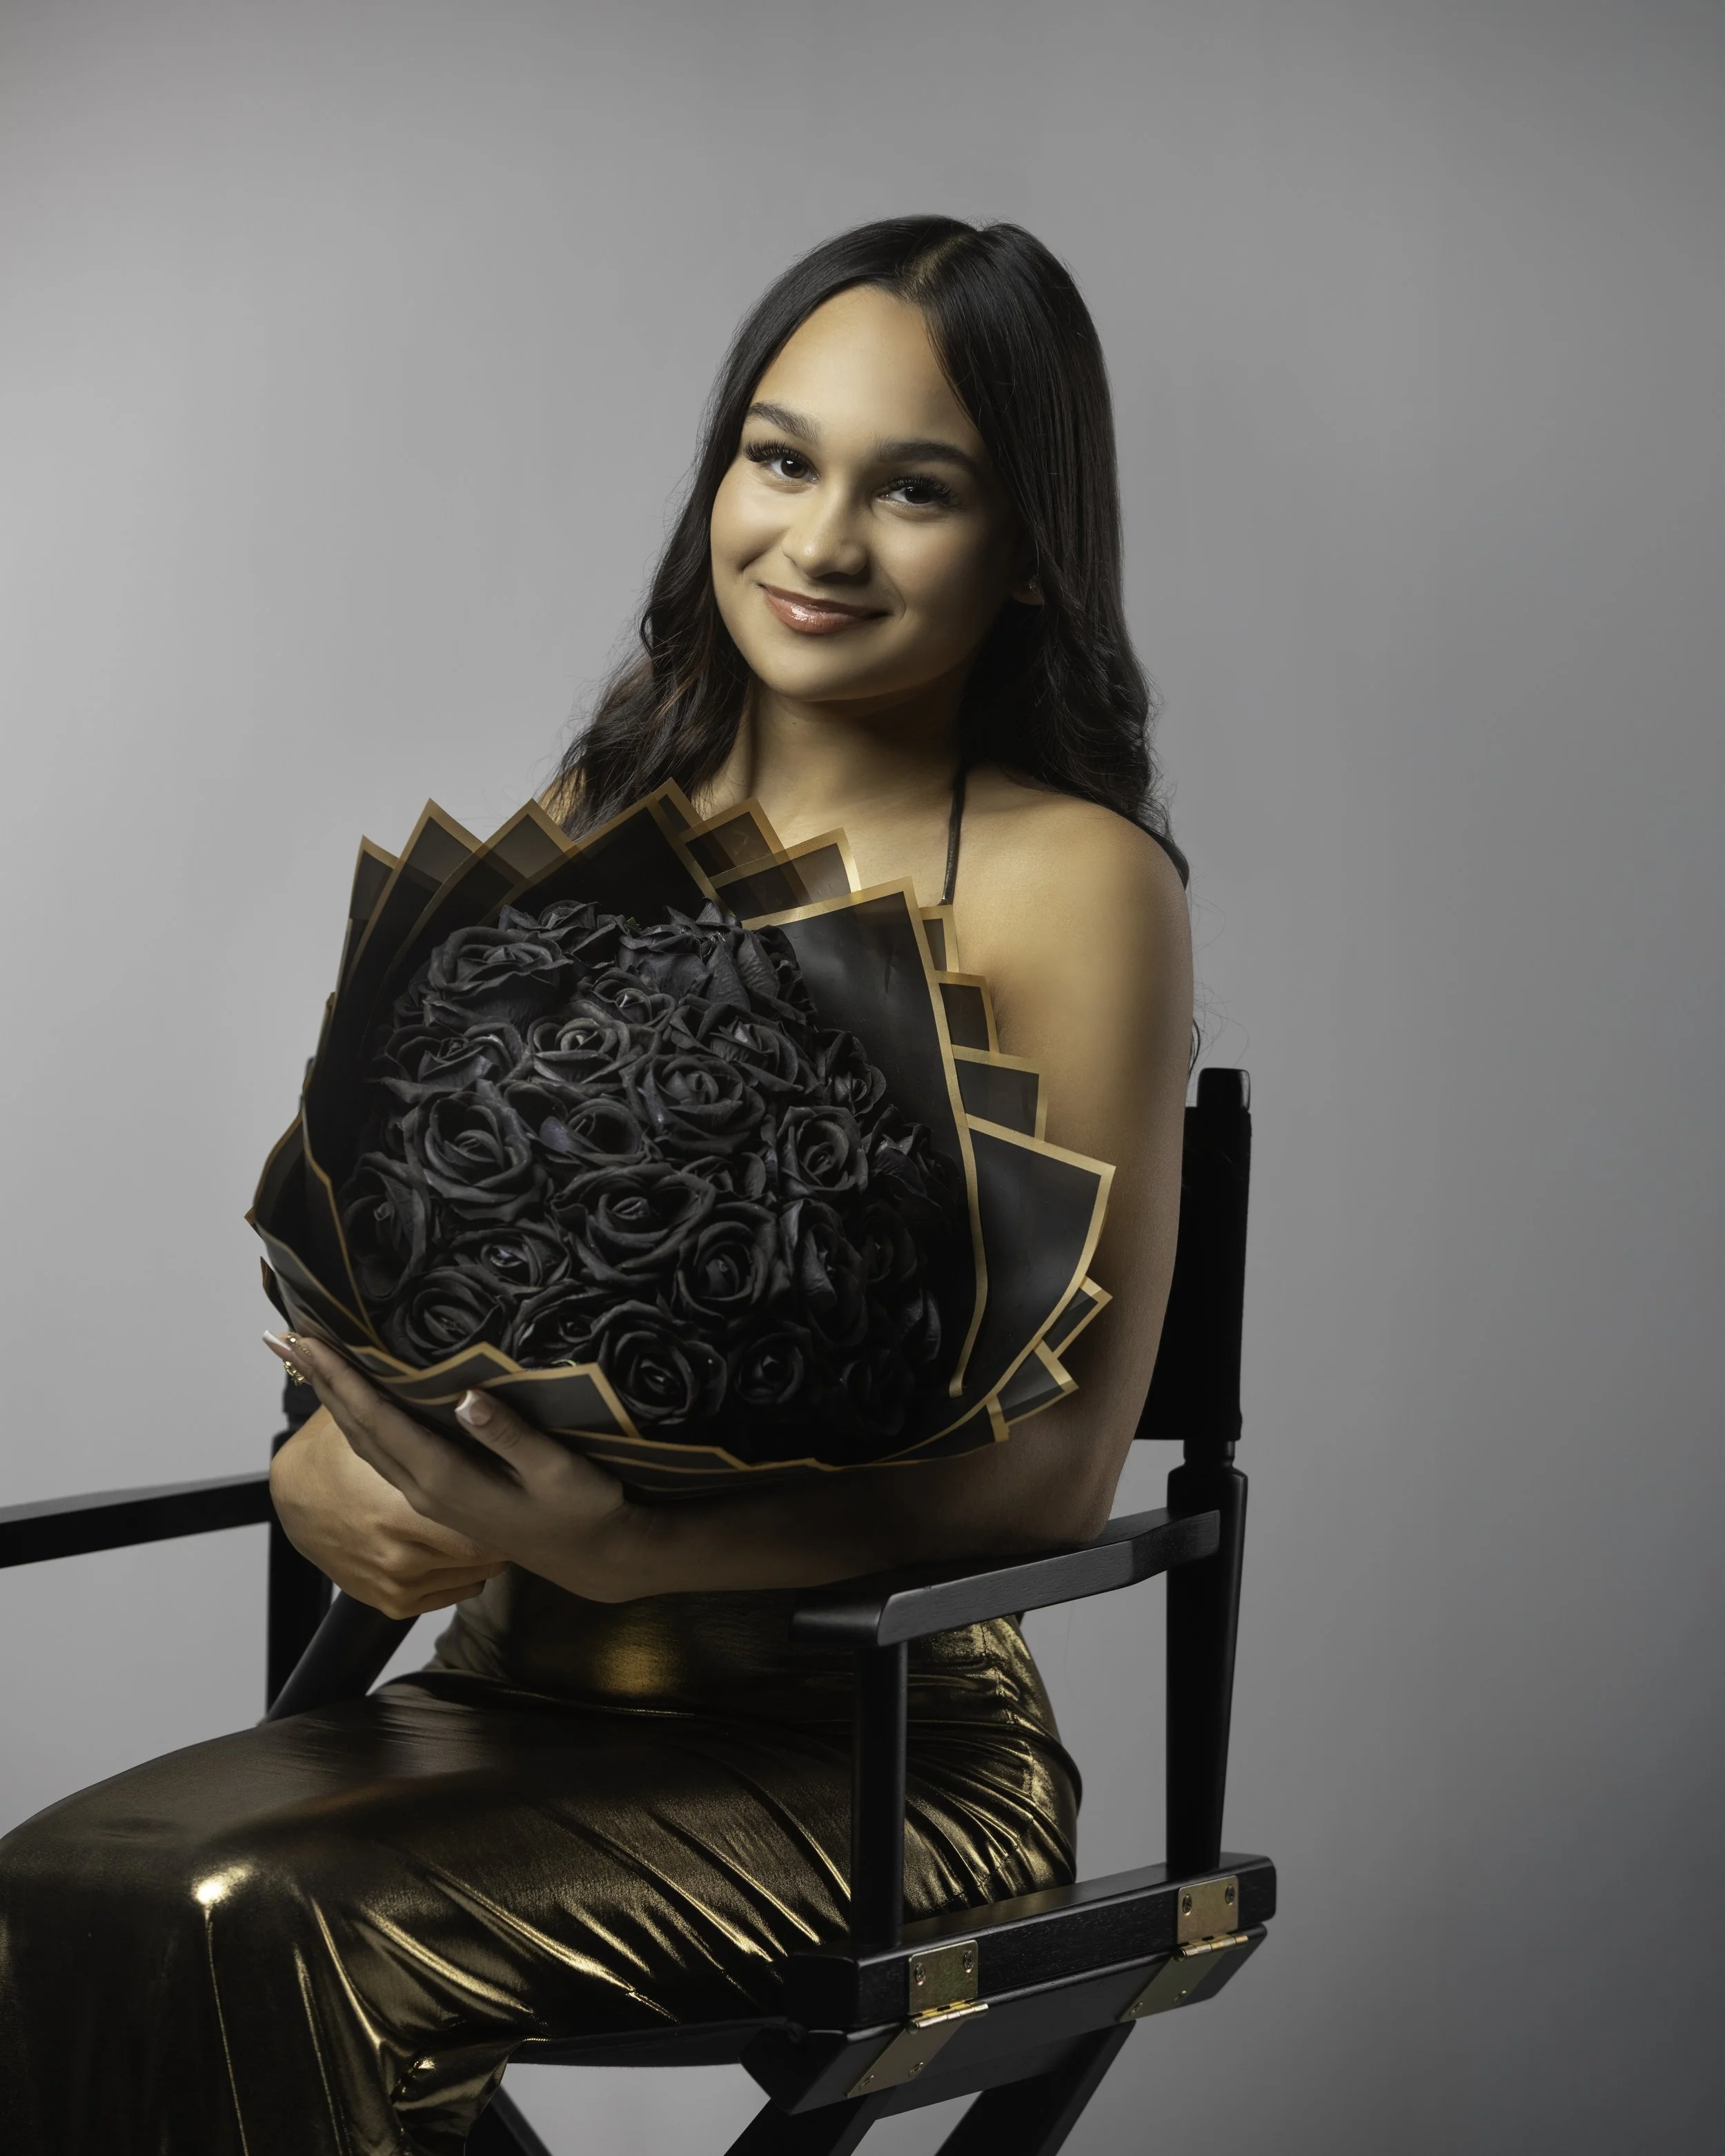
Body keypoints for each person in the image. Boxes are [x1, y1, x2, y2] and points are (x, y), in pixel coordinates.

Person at [0, 217, 1193, 2155]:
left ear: (1030, 544)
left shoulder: (1079, 882)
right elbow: (405, 1320)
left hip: (872, 1748)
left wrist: (632, 1552)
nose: (815, 542)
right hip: (509, 1701)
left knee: (253, 1917)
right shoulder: (582, 836)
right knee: (59, 1890)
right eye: (779, 457)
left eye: (916, 490)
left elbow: (1055, 1474)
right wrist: (331, 1472)